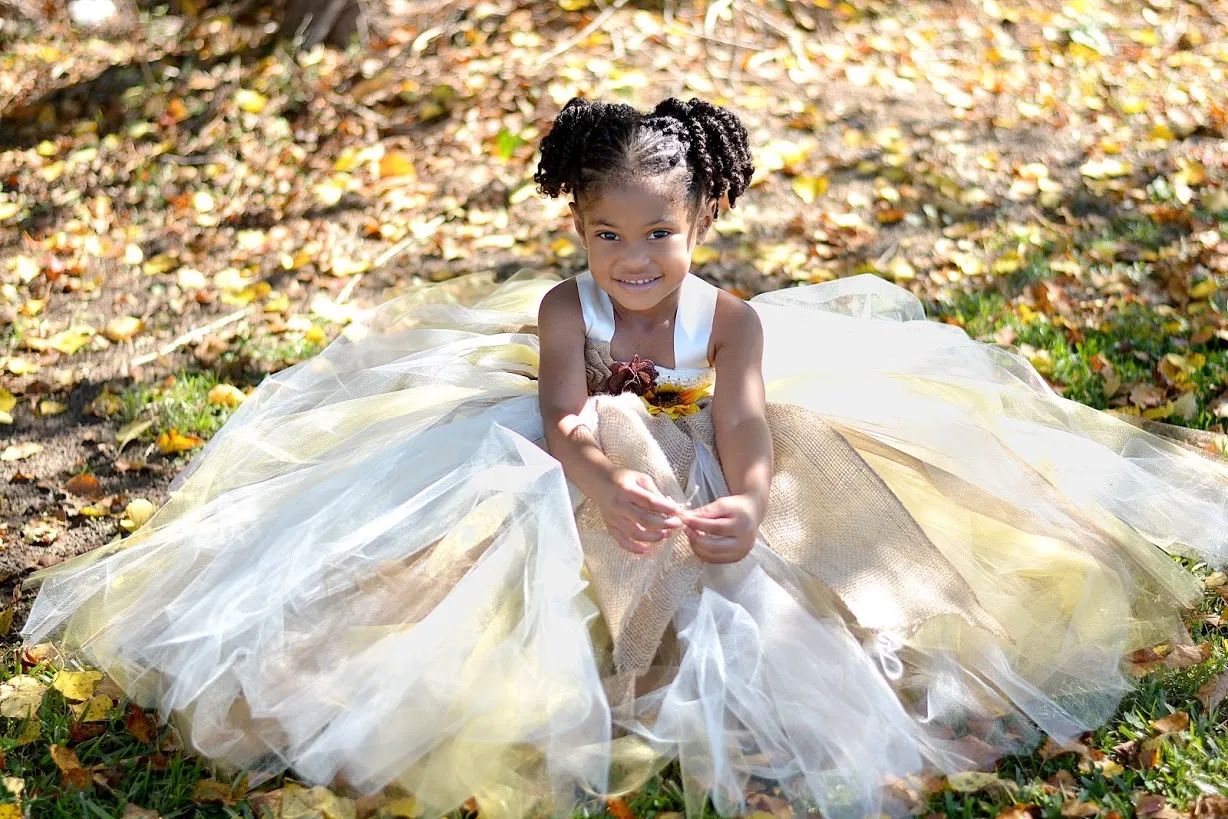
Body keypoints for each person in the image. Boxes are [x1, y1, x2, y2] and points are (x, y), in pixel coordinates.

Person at [20, 96, 1228, 819]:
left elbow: (747, 424)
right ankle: (612, 656)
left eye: (658, 233)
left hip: (711, 456)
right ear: (575, 228)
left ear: (702, 224)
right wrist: (604, 476)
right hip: (593, 456)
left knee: (804, 492)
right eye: (606, 235)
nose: (633, 259)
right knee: (576, 451)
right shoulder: (566, 311)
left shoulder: (731, 319)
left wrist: (746, 502)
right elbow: (558, 415)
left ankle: (747, 631)